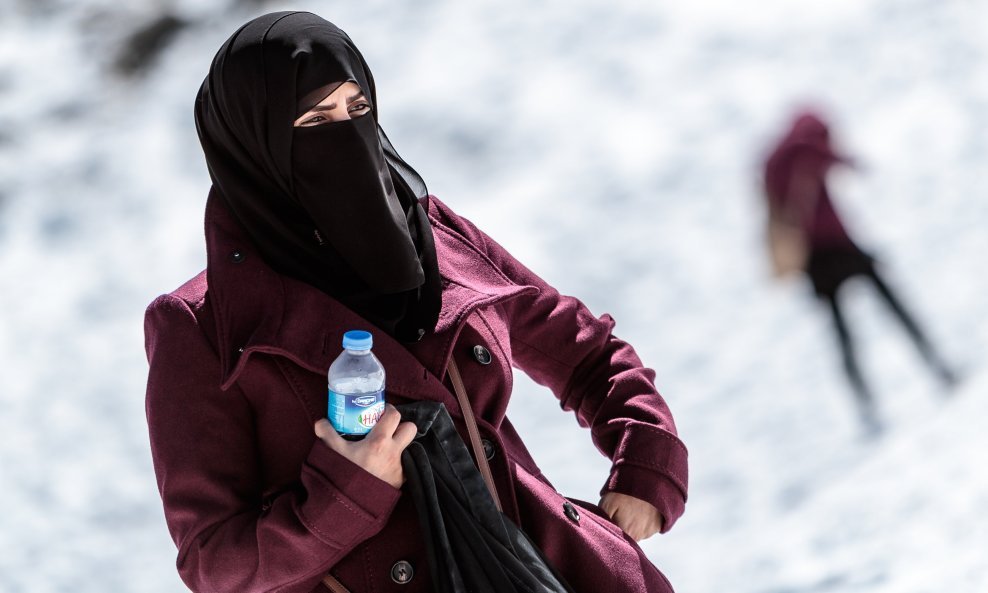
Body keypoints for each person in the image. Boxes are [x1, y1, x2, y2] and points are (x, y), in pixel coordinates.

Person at [144, 11, 688, 593]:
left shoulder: (429, 233)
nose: (345, 137)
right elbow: (212, 562)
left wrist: (646, 460)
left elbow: (584, 351)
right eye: (313, 119)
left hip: (539, 570)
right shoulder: (201, 326)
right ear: (252, 145)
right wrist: (346, 492)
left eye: (357, 110)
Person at [763, 110, 957, 433]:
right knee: (896, 309)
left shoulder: (774, 164)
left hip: (814, 263)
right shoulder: (807, 148)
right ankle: (938, 366)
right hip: (841, 247)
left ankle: (866, 407)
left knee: (843, 336)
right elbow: (840, 159)